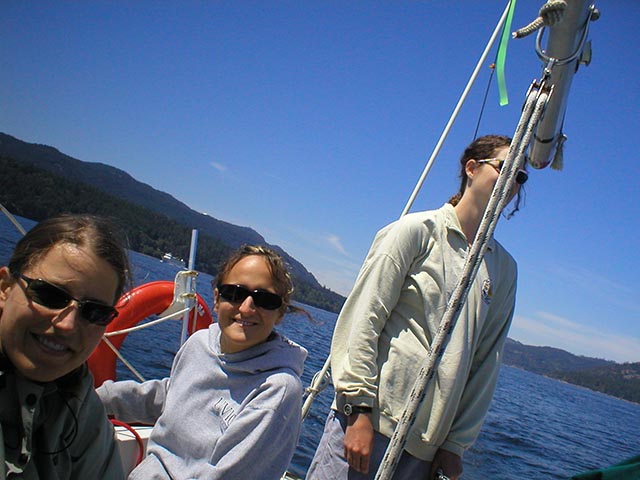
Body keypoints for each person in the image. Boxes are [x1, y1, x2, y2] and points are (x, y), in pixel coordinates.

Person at [307, 134, 526, 480]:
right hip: (368, 424)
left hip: (425, 450)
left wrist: (454, 445)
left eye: (521, 176)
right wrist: (358, 409)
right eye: (505, 168)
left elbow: (486, 361)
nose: (513, 181)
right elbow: (364, 317)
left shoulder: (504, 270)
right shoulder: (416, 231)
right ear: (471, 168)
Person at [97, 245, 311, 479]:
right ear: (217, 298)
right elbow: (172, 395)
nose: (247, 308)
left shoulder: (278, 390)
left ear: (280, 313)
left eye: (265, 299)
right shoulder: (199, 343)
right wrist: (98, 398)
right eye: (234, 293)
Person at [0, 214, 130, 479]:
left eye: (95, 312)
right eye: (49, 294)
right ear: (5, 288)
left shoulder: (80, 406)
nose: (67, 325)